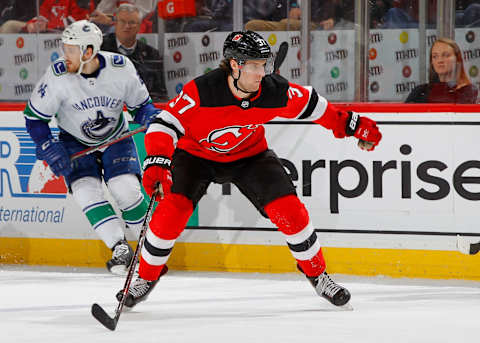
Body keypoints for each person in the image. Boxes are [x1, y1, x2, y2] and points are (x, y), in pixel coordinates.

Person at [117, 30, 382, 309]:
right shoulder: (202, 91)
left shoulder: (273, 90)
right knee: (169, 215)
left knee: (291, 212)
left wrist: (353, 125)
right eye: (254, 65)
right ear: (234, 65)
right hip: (195, 157)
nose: (261, 72)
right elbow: (163, 124)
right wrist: (158, 160)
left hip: (249, 156)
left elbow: (316, 107)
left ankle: (319, 276)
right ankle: (146, 278)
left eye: (264, 64)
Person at [23, 20, 162, 274]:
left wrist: (149, 117)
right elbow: (34, 118)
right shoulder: (57, 76)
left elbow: (141, 106)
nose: (66, 56)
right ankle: (119, 247)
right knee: (85, 191)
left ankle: (151, 249)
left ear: (88, 52)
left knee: (126, 189)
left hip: (116, 138)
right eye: (65, 48)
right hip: (74, 141)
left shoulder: (120, 69)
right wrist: (47, 144)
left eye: (71, 50)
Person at [101, 3, 167, 101]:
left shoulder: (152, 54)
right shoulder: (100, 48)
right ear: (115, 23)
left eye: (132, 22)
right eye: (122, 21)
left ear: (139, 26)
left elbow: (159, 94)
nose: (127, 26)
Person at [406, 37, 478, 104]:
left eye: (446, 55)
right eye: (435, 56)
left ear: (457, 59)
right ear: (431, 62)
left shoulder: (468, 91)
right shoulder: (420, 91)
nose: (440, 60)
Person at [0, 0, 94, 34]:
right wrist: (32, 25)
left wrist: (47, 26)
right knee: (10, 26)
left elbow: (77, 22)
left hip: (70, 36)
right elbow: (41, 16)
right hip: (46, 33)